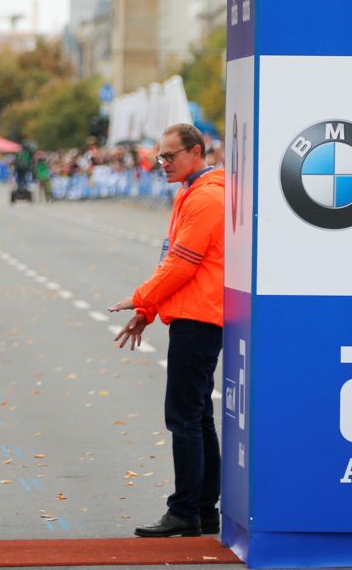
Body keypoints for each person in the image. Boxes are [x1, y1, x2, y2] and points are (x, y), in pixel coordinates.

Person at [109, 123, 224, 539]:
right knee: (198, 417)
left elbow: (181, 264)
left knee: (184, 419)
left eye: (169, 156)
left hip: (199, 317)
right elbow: (173, 260)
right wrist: (148, 309)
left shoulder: (207, 197)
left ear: (196, 152)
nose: (161, 164)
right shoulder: (194, 192)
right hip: (197, 314)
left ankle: (185, 511)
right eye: (160, 156)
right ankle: (204, 509)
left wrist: (140, 299)